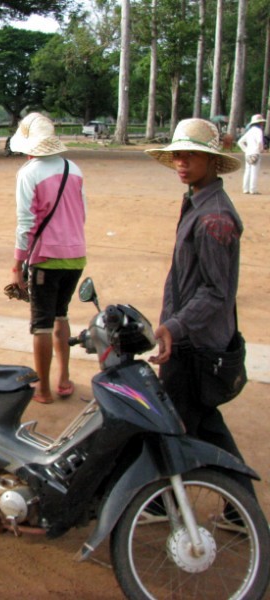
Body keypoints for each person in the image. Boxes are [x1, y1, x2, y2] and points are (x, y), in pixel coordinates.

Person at [146, 118, 254, 496]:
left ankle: (163, 499)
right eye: (177, 155)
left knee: (182, 423)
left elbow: (216, 291)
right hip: (192, 336)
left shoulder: (214, 218)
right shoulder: (196, 201)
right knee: (198, 423)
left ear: (211, 161)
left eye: (191, 156)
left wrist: (173, 326)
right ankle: (227, 503)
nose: (181, 163)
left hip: (198, 344)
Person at [8, 113, 87, 404]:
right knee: (61, 315)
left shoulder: (29, 172)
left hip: (46, 257)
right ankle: (64, 378)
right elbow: (83, 213)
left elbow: (26, 222)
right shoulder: (74, 169)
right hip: (76, 255)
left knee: (41, 323)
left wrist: (17, 264)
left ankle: (42, 389)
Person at [236, 113, 265, 194]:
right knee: (254, 171)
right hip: (255, 153)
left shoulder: (249, 131)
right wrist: (261, 149)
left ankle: (245, 189)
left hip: (248, 154)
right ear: (260, 123)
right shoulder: (259, 131)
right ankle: (253, 189)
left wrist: (246, 150)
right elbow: (259, 142)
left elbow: (240, 142)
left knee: (247, 171)